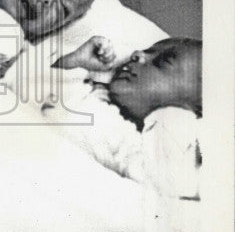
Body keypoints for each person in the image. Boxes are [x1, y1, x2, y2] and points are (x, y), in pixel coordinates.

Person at [48, 35, 202, 197]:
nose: (137, 54)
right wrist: (75, 63)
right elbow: (41, 94)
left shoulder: (137, 149)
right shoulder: (94, 92)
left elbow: (178, 181)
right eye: (146, 51)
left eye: (162, 62)